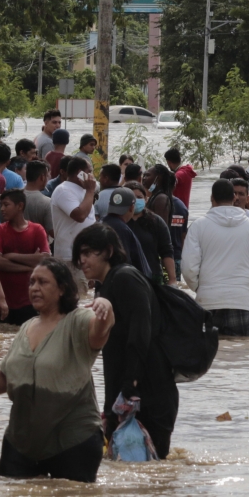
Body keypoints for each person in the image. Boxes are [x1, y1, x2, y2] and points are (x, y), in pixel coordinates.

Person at [74, 224, 178, 459]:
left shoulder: (125, 278)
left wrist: (130, 388)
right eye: (79, 254)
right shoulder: (106, 285)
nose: (82, 260)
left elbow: (140, 334)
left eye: (89, 253)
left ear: (108, 251)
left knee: (149, 472)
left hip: (147, 393)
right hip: (126, 393)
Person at [183, 179, 249, 337]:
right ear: (234, 198)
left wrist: (201, 288)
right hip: (243, 303)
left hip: (208, 303)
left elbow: (189, 268)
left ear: (212, 198)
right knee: (243, 356)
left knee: (212, 357)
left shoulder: (198, 226)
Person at [0, 189, 50, 326]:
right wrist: (29, 265)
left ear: (20, 206)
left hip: (29, 300)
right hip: (3, 299)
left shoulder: (37, 229)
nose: (2, 209)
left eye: (6, 205)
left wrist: (12, 256)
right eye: (1, 205)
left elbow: (45, 259)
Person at [126, 182, 177, 286]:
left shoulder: (156, 221)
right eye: (132, 197)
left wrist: (172, 280)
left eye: (139, 197)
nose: (135, 200)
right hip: (125, 277)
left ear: (146, 199)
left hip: (153, 278)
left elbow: (166, 251)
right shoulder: (118, 222)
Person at [49, 157, 97, 262]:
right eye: (89, 172)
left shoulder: (83, 189)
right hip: (70, 256)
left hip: (85, 255)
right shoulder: (64, 190)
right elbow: (80, 216)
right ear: (80, 173)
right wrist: (90, 191)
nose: (91, 176)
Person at [101, 188, 151, 279]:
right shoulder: (121, 229)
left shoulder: (101, 224)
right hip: (123, 284)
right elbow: (124, 264)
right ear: (132, 207)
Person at [21, 161, 54, 244]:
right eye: (47, 176)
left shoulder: (11, 198)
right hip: (39, 250)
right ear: (42, 177)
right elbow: (53, 232)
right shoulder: (47, 202)